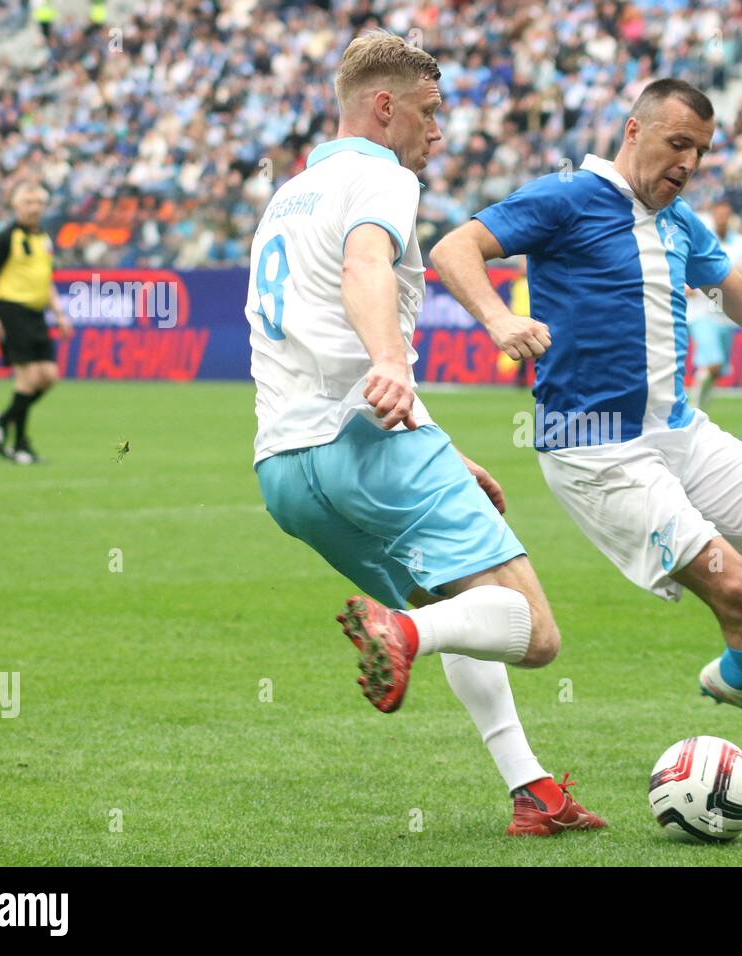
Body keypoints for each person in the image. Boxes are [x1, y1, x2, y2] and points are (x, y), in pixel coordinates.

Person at [432, 79, 742, 785]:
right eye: (677, 142)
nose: (688, 162)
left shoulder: (682, 221)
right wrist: (499, 318)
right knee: (736, 589)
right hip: (596, 448)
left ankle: (741, 675)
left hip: (679, 431)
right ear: (633, 131)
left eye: (701, 151)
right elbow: (454, 247)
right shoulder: (567, 197)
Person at [245, 32, 604, 836]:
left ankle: (532, 791)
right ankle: (400, 632)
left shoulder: (289, 195)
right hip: (368, 440)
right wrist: (390, 367)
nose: (437, 134)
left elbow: (308, 331)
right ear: (384, 108)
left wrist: (441, 446)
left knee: (460, 603)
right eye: (429, 114)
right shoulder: (382, 176)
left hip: (285, 471)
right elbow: (365, 267)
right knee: (530, 631)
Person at [0, 183, 73, 465]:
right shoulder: (6, 237)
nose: (34, 207)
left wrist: (60, 314)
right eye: (28, 201)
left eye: (39, 202)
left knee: (49, 377)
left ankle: (1, 421)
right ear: (16, 206)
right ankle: (20, 445)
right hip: (12, 310)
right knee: (28, 378)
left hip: (37, 313)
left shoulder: (44, 238)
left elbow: (47, 281)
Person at [687, 198, 742, 409]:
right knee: (713, 363)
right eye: (718, 214)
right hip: (701, 313)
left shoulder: (741, 243)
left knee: (717, 369)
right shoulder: (700, 238)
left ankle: (700, 403)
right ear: (712, 215)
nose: (722, 218)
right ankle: (693, 405)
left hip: (726, 315)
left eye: (725, 214)